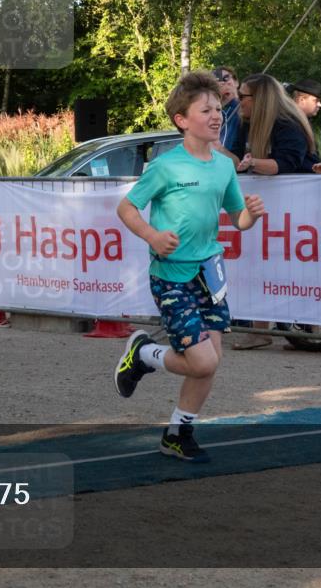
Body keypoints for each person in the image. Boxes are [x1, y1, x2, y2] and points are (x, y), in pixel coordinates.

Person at [113, 71, 266, 463]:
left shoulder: (223, 166)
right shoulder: (166, 166)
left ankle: (178, 433)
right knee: (203, 361)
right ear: (182, 119)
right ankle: (144, 354)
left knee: (209, 365)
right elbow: (127, 208)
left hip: (210, 274)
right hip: (171, 275)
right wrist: (151, 236)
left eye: (219, 109)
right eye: (206, 110)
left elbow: (237, 220)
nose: (217, 116)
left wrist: (250, 216)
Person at [228, 73, 321, 175]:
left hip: (303, 187)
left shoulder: (289, 124)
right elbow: (237, 160)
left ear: (260, 98)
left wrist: (253, 163)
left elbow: (285, 164)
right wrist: (216, 147)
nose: (237, 100)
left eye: (241, 96)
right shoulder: (246, 122)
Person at [212, 66, 242, 152]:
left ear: (236, 82)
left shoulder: (244, 109)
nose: (223, 83)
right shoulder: (213, 114)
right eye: (217, 81)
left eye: (226, 78)